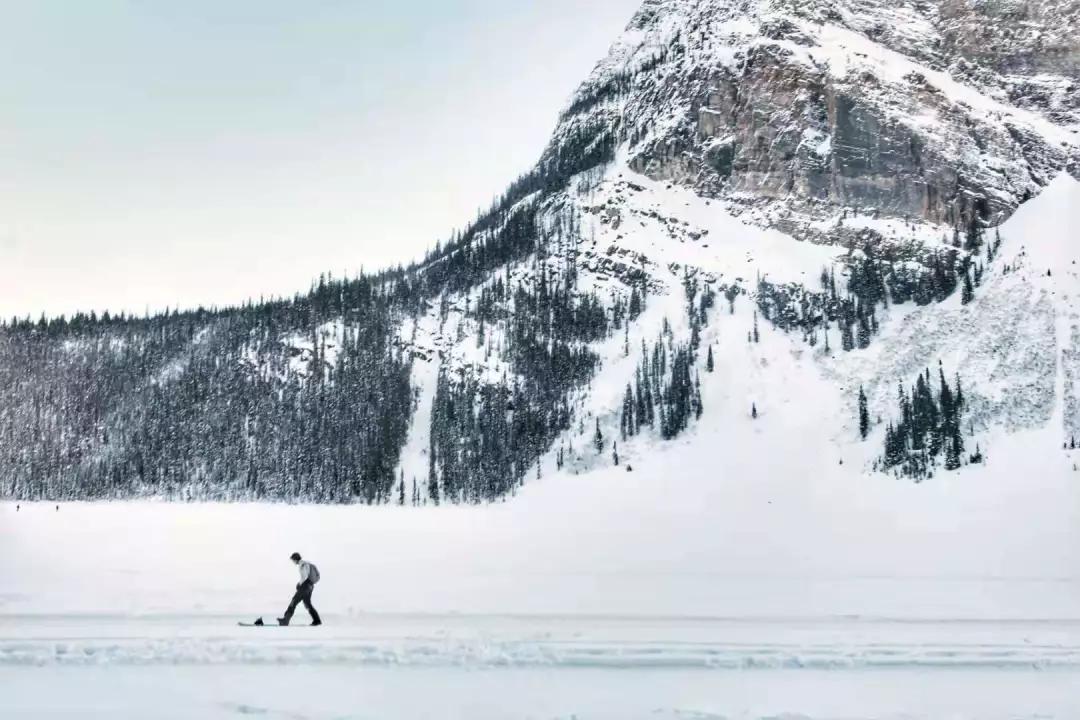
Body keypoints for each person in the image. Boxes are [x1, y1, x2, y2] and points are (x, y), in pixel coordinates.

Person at [277, 552, 322, 626]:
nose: (293, 562)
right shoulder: (307, 563)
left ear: (295, 559)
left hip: (305, 586)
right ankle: (317, 620)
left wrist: (299, 584)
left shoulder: (302, 564)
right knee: (307, 604)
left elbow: (304, 576)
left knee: (294, 601)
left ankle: (285, 620)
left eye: (293, 560)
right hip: (310, 586)